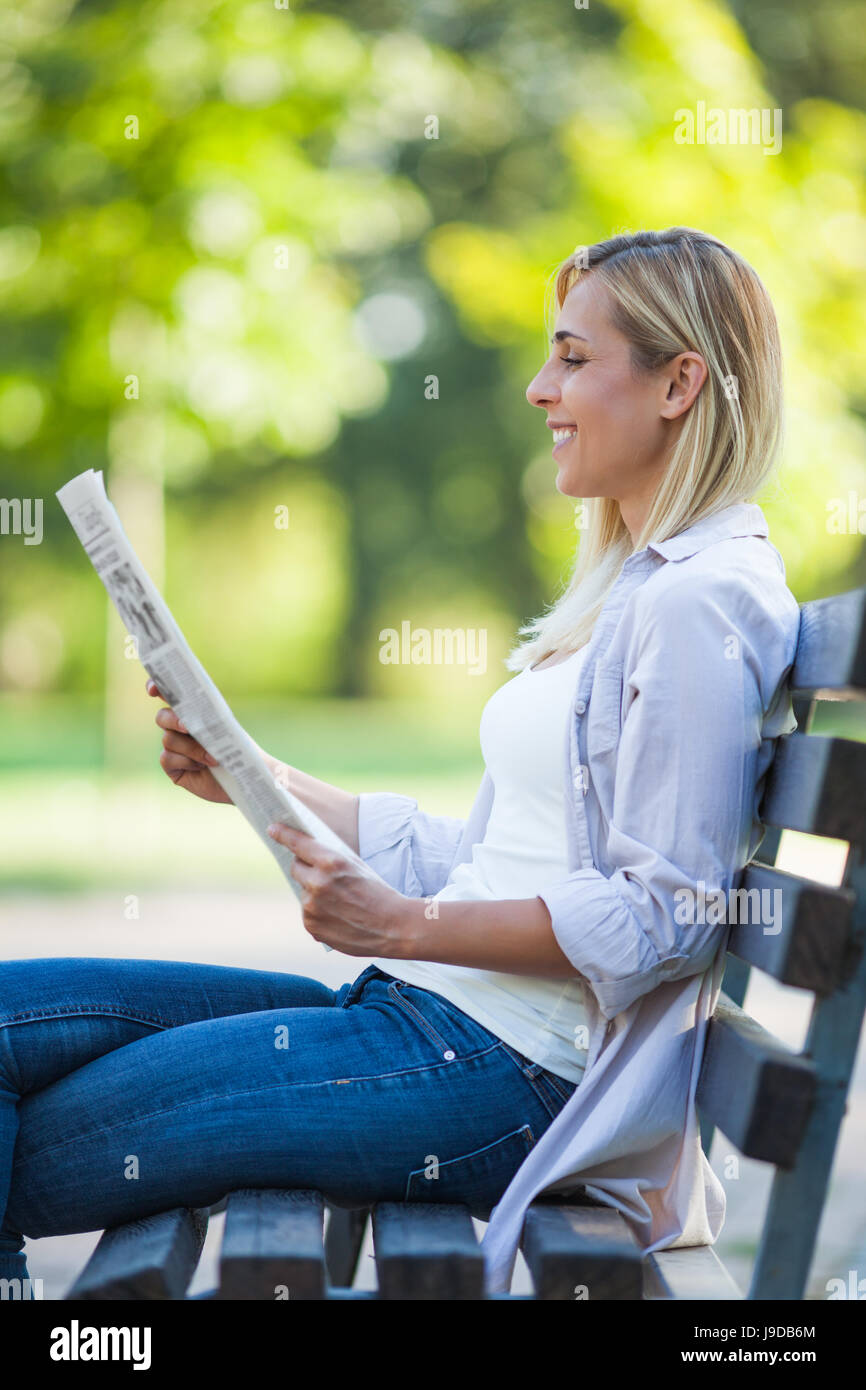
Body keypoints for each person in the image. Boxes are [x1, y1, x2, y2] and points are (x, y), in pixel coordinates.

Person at [0, 228, 800, 1297]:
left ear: (677, 383)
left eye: (570, 356)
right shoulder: (635, 588)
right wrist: (254, 773)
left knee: (35, 1154)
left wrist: (398, 927)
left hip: (502, 1072)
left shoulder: (701, 603)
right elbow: (479, 857)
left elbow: (666, 915)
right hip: (422, 1017)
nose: (536, 387)